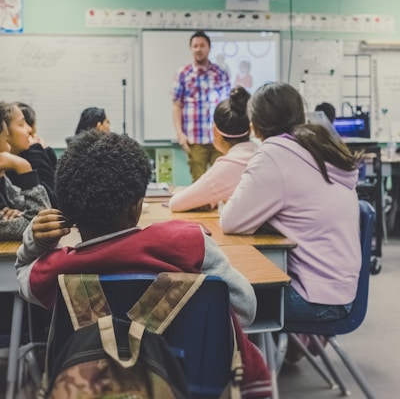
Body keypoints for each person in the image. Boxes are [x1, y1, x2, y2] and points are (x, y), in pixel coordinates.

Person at [15, 130, 271, 398]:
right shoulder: (189, 243)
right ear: (136, 207)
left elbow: (23, 275)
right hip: (193, 385)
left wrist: (35, 239)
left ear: (69, 215)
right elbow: (245, 309)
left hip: (97, 385)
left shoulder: (57, 270)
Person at [220, 82, 363, 326]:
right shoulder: (318, 146)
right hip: (342, 290)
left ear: (254, 126)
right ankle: (283, 353)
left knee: (215, 298)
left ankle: (252, 363)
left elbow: (231, 221)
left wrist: (225, 204)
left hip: (315, 299)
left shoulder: (274, 154)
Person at [169, 86, 258, 212]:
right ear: (250, 129)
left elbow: (175, 204)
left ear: (215, 131)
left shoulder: (228, 165)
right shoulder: (261, 152)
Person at [171, 30, 231, 182]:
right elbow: (176, 105)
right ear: (191, 49)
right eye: (195, 46)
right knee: (198, 183)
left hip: (219, 138)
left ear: (209, 48)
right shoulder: (183, 74)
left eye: (202, 45)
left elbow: (228, 105)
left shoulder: (221, 73)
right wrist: (180, 135)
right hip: (194, 140)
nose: (198, 49)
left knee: (222, 181)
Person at [0, 102, 50, 240]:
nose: (9, 149)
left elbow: (42, 213)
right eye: (5, 140)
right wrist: (23, 167)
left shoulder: (3, 178)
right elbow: (42, 226)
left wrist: (21, 215)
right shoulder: (15, 166)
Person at [6, 102, 58, 207]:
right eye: (21, 124)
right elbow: (49, 203)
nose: (29, 130)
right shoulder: (31, 155)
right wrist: (36, 151)